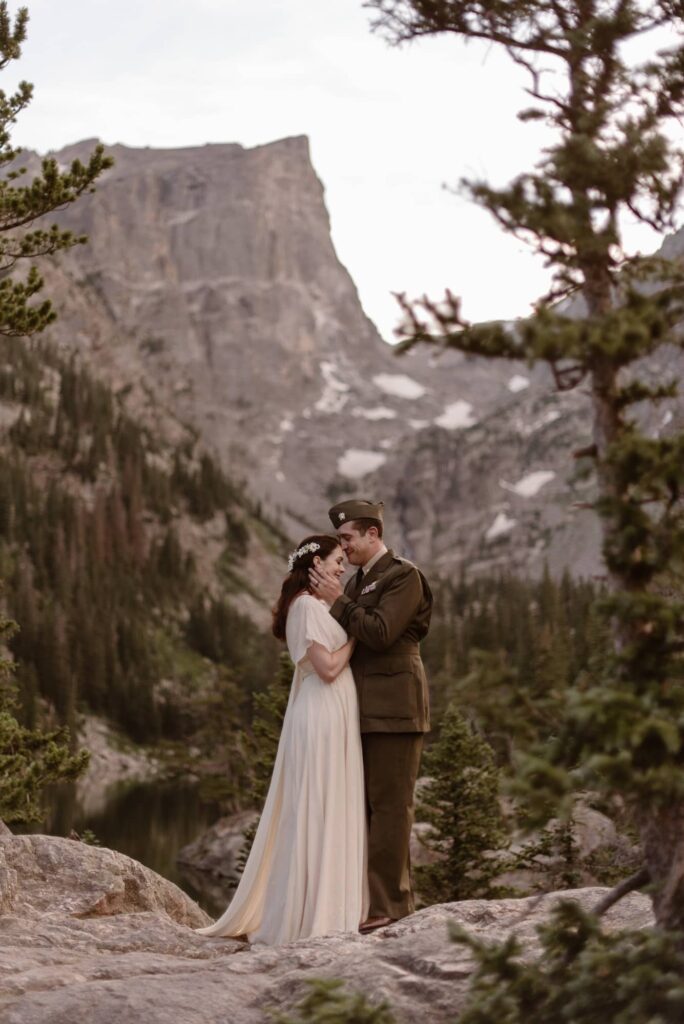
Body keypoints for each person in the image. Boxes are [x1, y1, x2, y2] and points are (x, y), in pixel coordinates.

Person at [197, 534, 368, 945]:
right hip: (322, 712)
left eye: (344, 560)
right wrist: (355, 640)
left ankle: (324, 907)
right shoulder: (307, 606)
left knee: (327, 804)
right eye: (336, 560)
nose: (342, 567)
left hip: (328, 712)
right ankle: (312, 916)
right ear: (316, 566)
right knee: (320, 805)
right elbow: (326, 668)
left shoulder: (312, 605)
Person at [309, 499, 432, 934]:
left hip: (395, 709)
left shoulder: (404, 576)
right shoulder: (361, 580)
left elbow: (380, 632)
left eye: (348, 538)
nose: (344, 547)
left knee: (391, 809)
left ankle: (390, 907)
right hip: (357, 710)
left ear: (372, 534)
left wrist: (337, 600)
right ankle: (364, 902)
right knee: (361, 810)